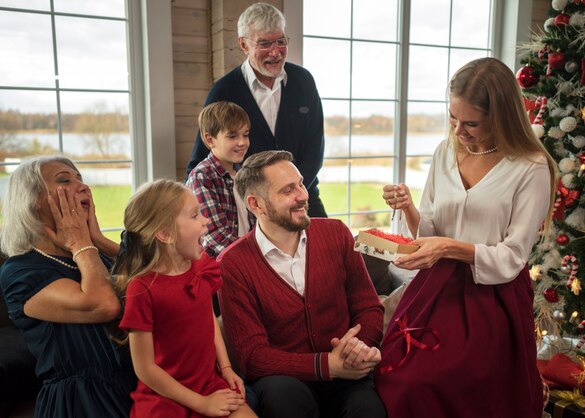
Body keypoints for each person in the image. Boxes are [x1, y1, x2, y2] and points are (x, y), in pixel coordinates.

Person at [375, 57, 558, 418]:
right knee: (398, 379)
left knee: (459, 391)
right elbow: (429, 230)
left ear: (501, 116)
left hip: (492, 299)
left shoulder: (531, 167)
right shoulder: (445, 153)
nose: (458, 131)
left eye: (471, 123)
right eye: (453, 118)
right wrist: (409, 206)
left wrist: (448, 247)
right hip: (434, 290)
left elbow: (513, 255)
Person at [218, 150, 387, 418]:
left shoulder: (337, 234)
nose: (303, 195)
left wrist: (358, 350)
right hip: (284, 380)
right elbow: (252, 356)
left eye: (300, 184)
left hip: (347, 373)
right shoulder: (233, 263)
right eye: (288, 190)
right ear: (256, 204)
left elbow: (369, 307)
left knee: (369, 410)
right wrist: (326, 366)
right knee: (286, 401)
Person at [0, 156, 136, 418]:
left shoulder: (95, 255)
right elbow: (104, 304)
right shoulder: (20, 270)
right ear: (34, 201)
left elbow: (159, 283)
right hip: (83, 401)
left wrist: (99, 240)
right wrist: (81, 243)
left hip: (138, 387)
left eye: (81, 179)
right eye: (65, 180)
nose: (83, 187)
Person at [113, 179, 257, 418]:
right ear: (165, 233)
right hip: (165, 397)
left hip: (209, 383)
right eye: (194, 216)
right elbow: (145, 369)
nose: (205, 220)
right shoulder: (142, 289)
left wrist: (227, 368)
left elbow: (207, 319)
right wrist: (201, 404)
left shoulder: (200, 267)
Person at [186, 2, 327, 218]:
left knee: (327, 248)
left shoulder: (304, 81)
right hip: (250, 205)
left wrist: (291, 193)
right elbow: (202, 157)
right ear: (244, 45)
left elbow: (314, 149)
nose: (275, 52)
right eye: (264, 44)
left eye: (280, 41)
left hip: (303, 194)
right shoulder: (224, 90)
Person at [185, 101, 256, 258]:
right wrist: (252, 257)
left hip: (247, 257)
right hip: (218, 265)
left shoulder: (245, 175)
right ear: (210, 140)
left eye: (245, 135)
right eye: (232, 136)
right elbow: (214, 235)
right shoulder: (202, 176)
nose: (242, 142)